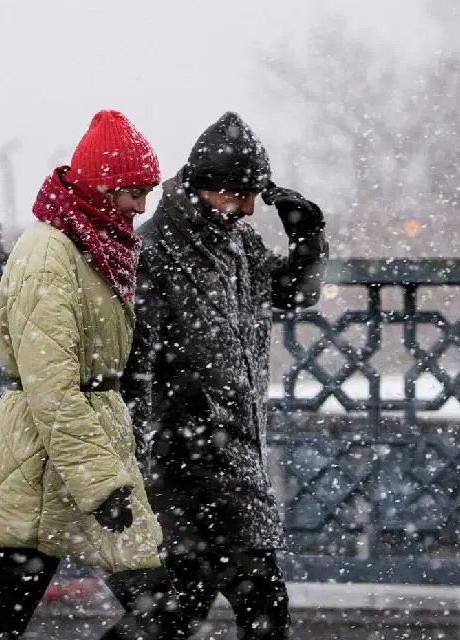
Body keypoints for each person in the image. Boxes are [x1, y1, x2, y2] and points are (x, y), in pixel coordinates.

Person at [0, 110, 166, 640]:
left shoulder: (92, 243)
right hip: (47, 454)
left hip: (75, 448)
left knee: (157, 608)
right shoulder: (50, 254)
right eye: (132, 192)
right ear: (102, 187)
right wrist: (101, 482)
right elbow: (50, 385)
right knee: (155, 607)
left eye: (147, 191)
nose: (141, 206)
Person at [122, 111, 328, 640]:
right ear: (200, 186)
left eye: (251, 197)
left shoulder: (237, 247)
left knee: (189, 609)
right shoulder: (155, 251)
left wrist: (308, 239)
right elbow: (135, 369)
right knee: (226, 605)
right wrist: (133, 462)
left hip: (229, 454)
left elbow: (293, 293)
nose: (244, 208)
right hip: (179, 462)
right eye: (234, 195)